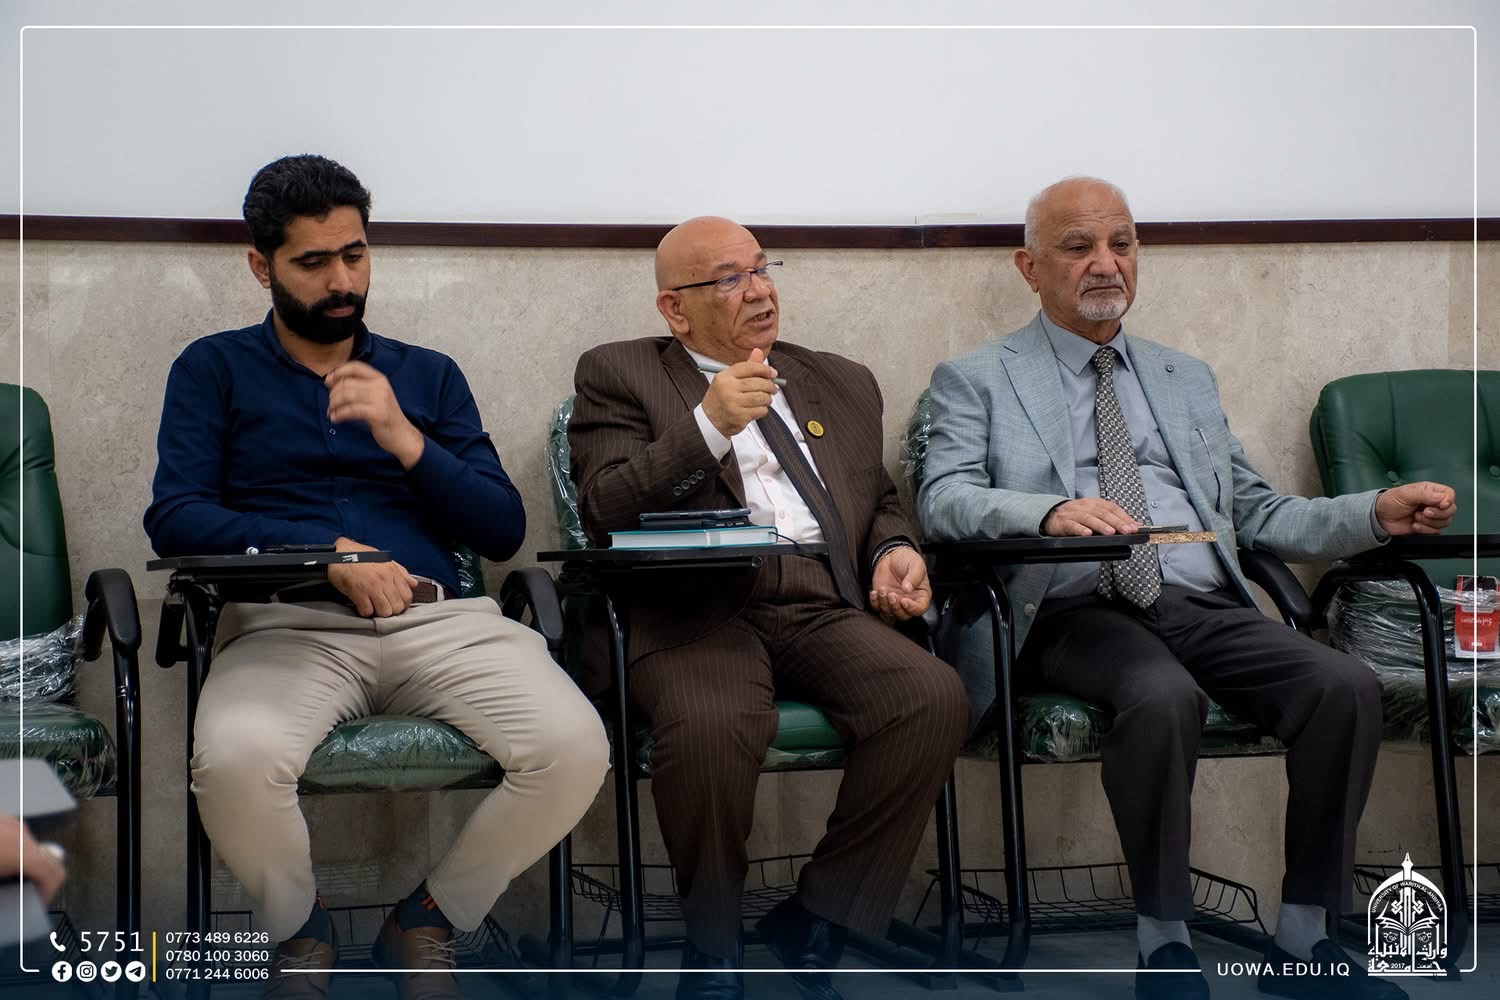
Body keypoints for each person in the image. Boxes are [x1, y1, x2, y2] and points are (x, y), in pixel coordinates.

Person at [918, 177, 1455, 1000]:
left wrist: (1372, 513)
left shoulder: (1182, 376)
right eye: (1078, 247)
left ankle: (1303, 938)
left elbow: (1256, 511)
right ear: (1030, 267)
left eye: (1122, 244)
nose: (1106, 263)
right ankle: (1164, 942)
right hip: (1070, 609)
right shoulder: (978, 377)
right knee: (1162, 696)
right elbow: (943, 498)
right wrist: (1047, 511)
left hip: (1196, 599)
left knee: (1343, 686)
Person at [144, 155, 608, 1000]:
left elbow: (501, 529)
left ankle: (426, 921)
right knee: (237, 762)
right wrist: (325, 552)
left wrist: (406, 439)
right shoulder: (212, 370)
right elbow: (175, 517)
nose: (341, 280)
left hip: (440, 623)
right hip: (287, 625)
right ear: (261, 266)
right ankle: (303, 933)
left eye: (354, 255)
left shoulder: (428, 375)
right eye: (313, 261)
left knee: (574, 748)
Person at [568, 216, 968, 1000]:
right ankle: (714, 950)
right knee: (713, 724)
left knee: (930, 697)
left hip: (819, 599)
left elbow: (877, 499)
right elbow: (604, 508)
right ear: (675, 310)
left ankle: (819, 917)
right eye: (729, 279)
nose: (759, 291)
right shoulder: (620, 373)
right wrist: (709, 425)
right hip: (693, 608)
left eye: (761, 269)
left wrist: (893, 549)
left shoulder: (839, 379)